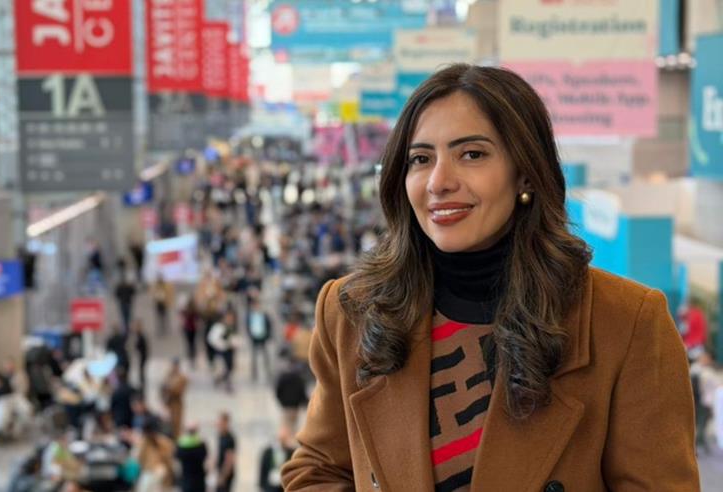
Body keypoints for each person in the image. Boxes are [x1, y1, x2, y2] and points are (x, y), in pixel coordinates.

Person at [281, 64, 699, 491]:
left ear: (525, 172)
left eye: (472, 154)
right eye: (421, 159)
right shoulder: (352, 312)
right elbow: (317, 469)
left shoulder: (626, 323)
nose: (439, 182)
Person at [136, 416, 176, 492]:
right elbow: (140, 459)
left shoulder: (164, 442)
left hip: (161, 474)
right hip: (148, 472)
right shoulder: (144, 443)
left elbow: (169, 460)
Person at [274, 358, 308, 433]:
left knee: (285, 427)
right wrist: (303, 403)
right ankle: (292, 439)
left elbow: (278, 391)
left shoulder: (283, 377)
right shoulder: (299, 379)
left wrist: (282, 402)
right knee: (293, 427)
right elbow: (302, 393)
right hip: (295, 407)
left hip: (286, 407)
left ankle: (287, 439)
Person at [207, 312, 238, 393]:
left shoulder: (231, 328)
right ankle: (226, 383)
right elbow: (212, 339)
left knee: (230, 367)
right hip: (220, 351)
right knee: (223, 367)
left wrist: (234, 343)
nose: (230, 320)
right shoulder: (218, 327)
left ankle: (223, 380)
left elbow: (234, 338)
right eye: (229, 318)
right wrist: (223, 344)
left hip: (230, 351)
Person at [259, 425, 296, 492]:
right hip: (270, 487)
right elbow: (262, 470)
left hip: (284, 487)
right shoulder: (268, 452)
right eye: (281, 437)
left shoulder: (292, 452)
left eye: (285, 438)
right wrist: (263, 486)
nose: (282, 440)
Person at [176, 422, 208, 492]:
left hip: (186, 479)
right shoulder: (201, 444)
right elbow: (205, 456)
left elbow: (177, 457)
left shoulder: (181, 444)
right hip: (198, 480)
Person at [247, 297, 273, 382]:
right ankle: (254, 373)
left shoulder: (264, 315)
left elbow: (269, 325)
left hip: (263, 337)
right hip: (254, 338)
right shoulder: (250, 315)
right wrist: (250, 334)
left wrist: (268, 335)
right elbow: (248, 326)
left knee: (265, 355)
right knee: (254, 356)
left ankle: (268, 371)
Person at [161, 359, 189, 438]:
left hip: (177, 404)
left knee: (176, 424)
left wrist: (169, 388)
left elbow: (178, 390)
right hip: (168, 403)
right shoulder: (168, 376)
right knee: (167, 423)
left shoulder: (182, 378)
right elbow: (163, 388)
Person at [215, 412, 236, 492]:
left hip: (226, 474)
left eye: (220, 423)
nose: (218, 424)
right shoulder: (220, 436)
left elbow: (229, 459)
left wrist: (223, 476)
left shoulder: (229, 438)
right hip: (220, 471)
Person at [181, 298, 200, 368]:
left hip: (188, 329)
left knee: (190, 344)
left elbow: (182, 316)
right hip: (192, 329)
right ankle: (192, 356)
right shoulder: (194, 311)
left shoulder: (187, 311)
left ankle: (191, 356)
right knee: (192, 344)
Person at [134, 320, 150, 391]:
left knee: (141, 369)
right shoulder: (139, 335)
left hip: (143, 355)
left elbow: (142, 346)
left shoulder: (141, 336)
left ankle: (142, 383)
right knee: (141, 369)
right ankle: (142, 382)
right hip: (142, 355)